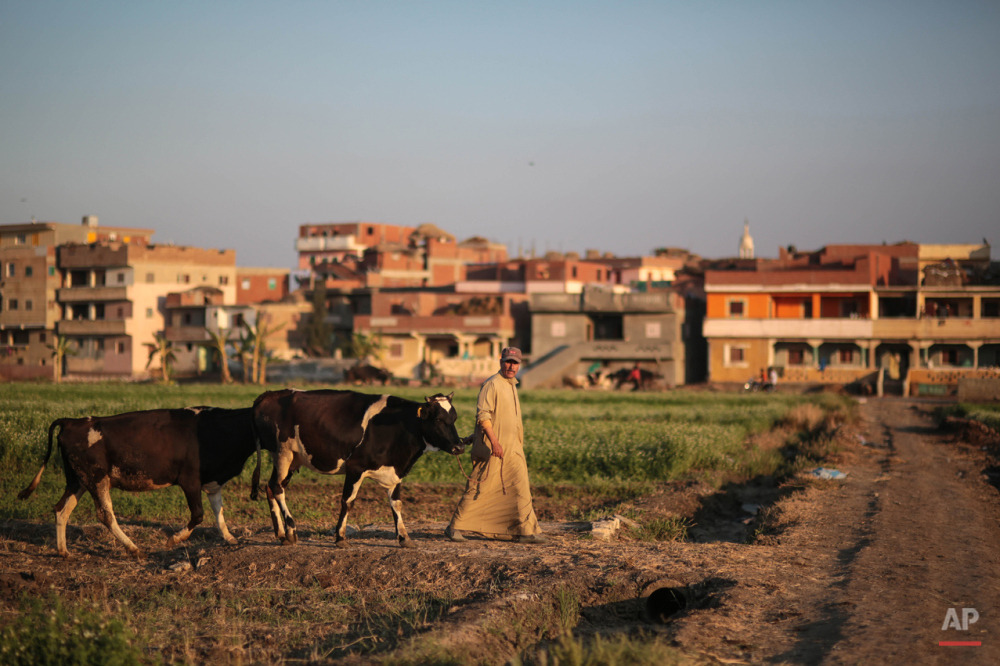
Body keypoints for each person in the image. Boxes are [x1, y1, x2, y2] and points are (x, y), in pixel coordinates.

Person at [445, 347, 545, 544]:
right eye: (508, 361)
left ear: (519, 365)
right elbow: (484, 416)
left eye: (515, 363)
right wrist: (495, 442)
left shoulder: (511, 385)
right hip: (495, 450)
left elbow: (500, 419)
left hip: (514, 449)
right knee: (479, 488)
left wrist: (474, 436)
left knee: (520, 488)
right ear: (501, 362)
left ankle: (525, 531)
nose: (511, 366)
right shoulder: (492, 384)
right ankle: (454, 527)